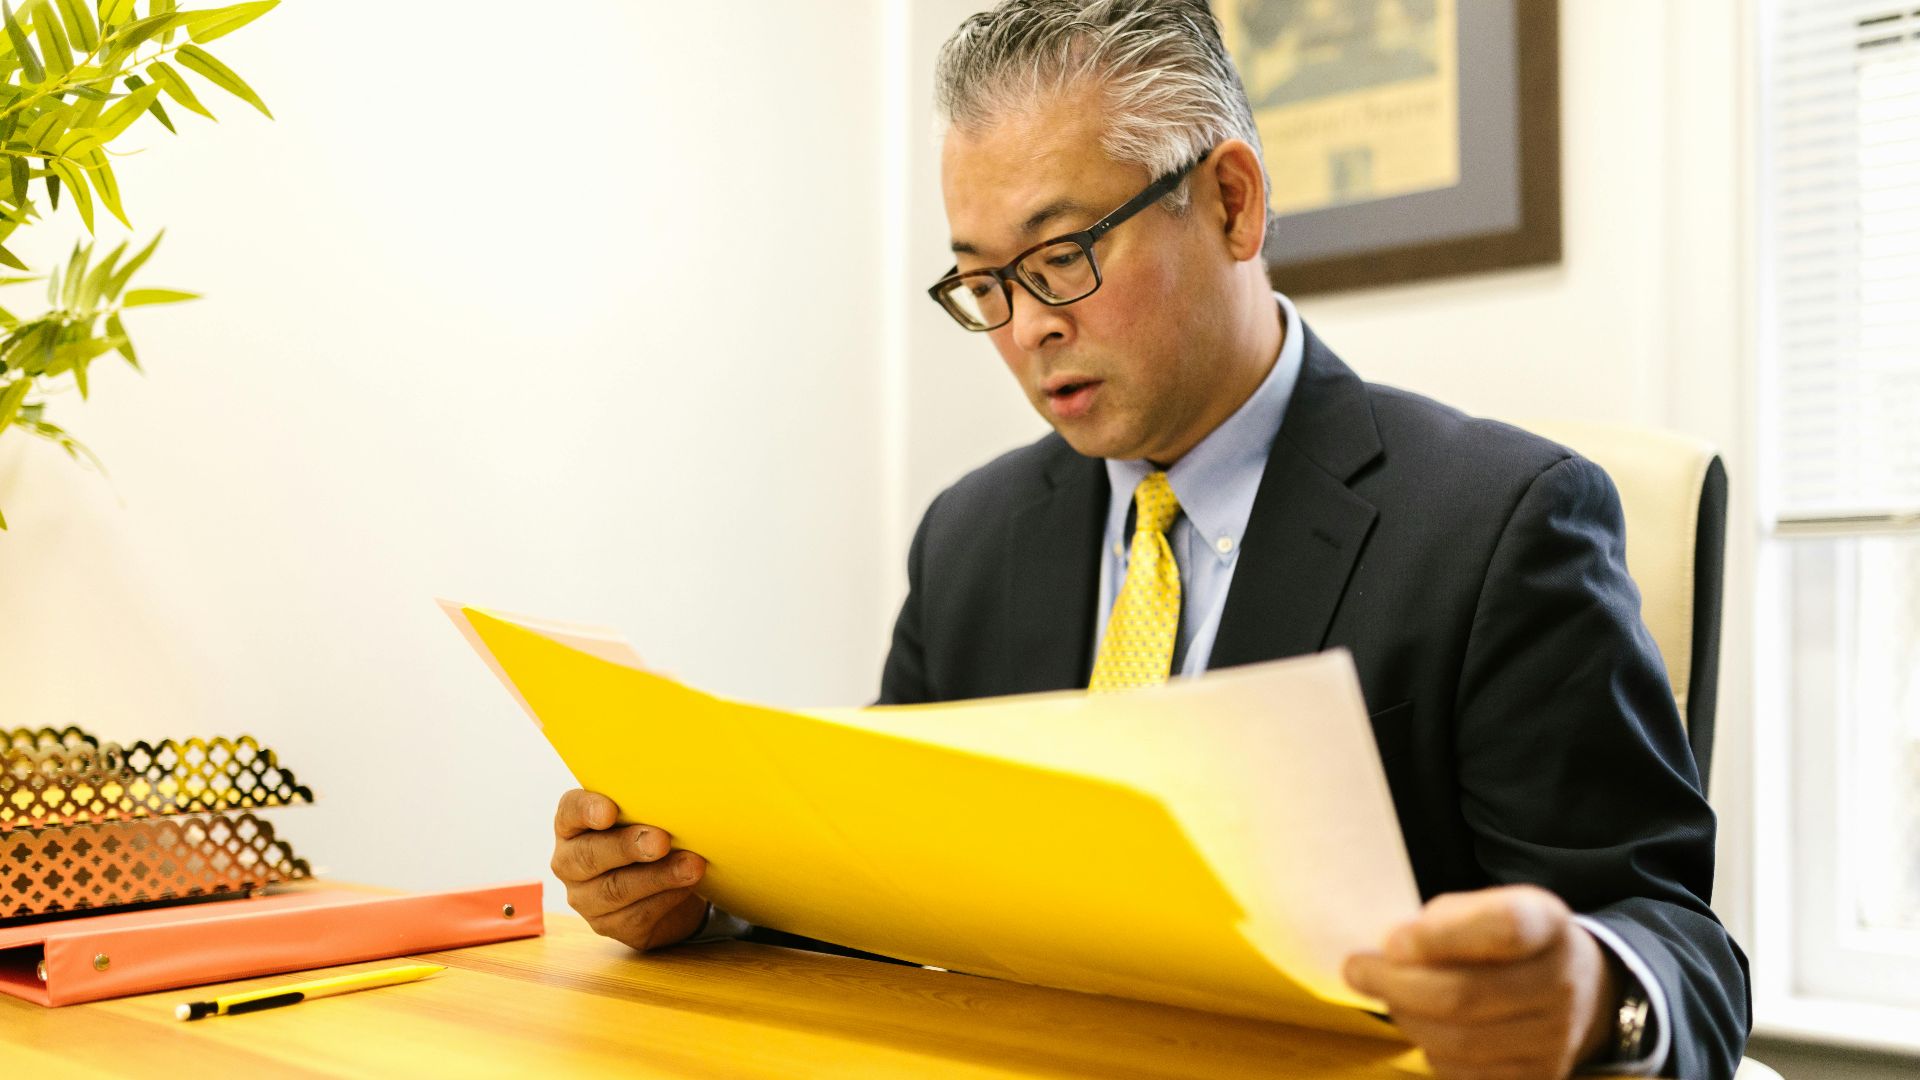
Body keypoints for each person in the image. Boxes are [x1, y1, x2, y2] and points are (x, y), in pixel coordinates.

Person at [547, 2, 1751, 1077]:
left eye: (1064, 257)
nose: (1023, 332)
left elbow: (1677, 944)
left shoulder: (1502, 522)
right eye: (982, 283)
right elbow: (885, 891)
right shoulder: (970, 542)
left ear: (1232, 202)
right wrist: (692, 902)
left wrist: (1599, 998)